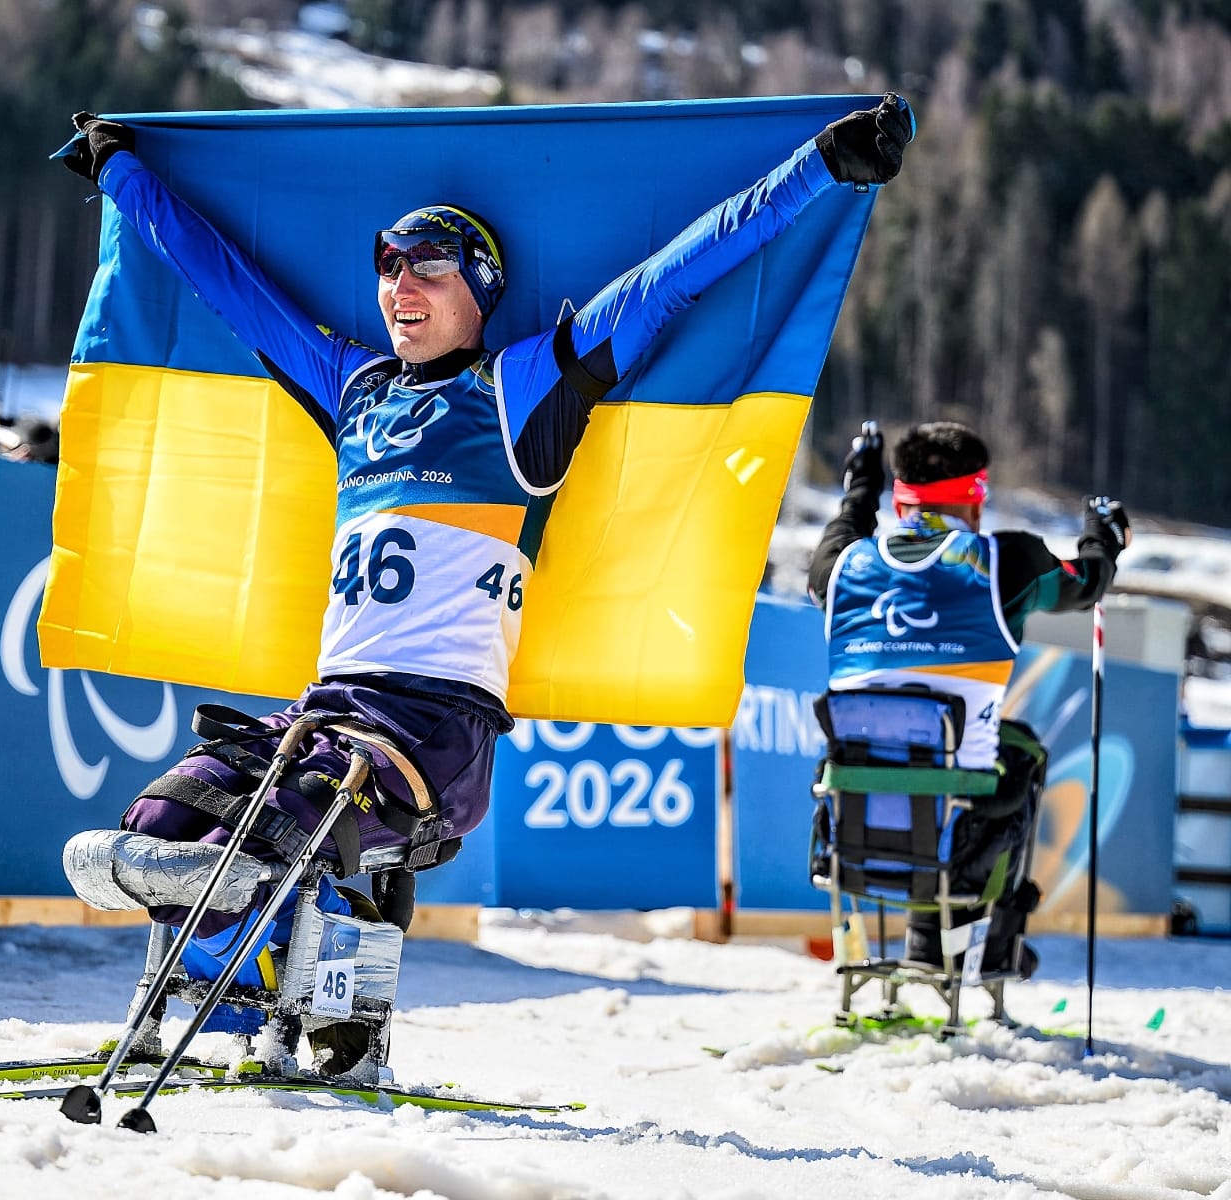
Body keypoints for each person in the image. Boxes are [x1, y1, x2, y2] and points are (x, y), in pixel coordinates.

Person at [57, 96, 915, 1026]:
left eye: (429, 265)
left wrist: (824, 165)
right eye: (388, 264)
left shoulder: (520, 386)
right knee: (164, 820)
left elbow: (677, 273)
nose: (400, 284)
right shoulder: (355, 389)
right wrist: (123, 173)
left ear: (481, 290)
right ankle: (252, 1012)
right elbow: (228, 284)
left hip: (435, 730)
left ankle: (285, 1004)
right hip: (330, 711)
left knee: (267, 831)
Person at [808, 420, 1132, 977]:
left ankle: (925, 945)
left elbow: (845, 526)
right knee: (1020, 753)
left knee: (921, 768)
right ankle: (996, 947)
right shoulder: (1009, 563)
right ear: (975, 500)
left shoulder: (841, 567)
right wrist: (1101, 532)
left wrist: (861, 483)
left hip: (848, 842)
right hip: (962, 848)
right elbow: (1089, 583)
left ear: (901, 496)